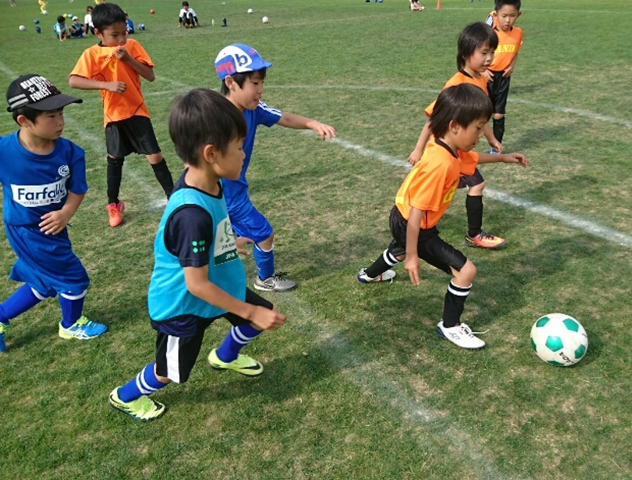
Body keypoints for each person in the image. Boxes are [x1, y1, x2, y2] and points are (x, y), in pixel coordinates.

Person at [108, 89, 286, 421]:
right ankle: (125, 396)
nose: (244, 155)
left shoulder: (209, 182)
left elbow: (211, 227)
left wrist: (230, 241)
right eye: (238, 148)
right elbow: (196, 285)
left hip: (219, 285)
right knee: (169, 372)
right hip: (184, 307)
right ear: (211, 153)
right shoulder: (191, 214)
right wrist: (249, 309)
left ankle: (226, 355)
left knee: (263, 315)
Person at [358, 85, 527, 349]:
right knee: (466, 271)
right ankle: (450, 326)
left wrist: (504, 158)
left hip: (399, 213)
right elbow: (418, 212)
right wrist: (414, 256)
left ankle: (369, 275)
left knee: (399, 247)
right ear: (455, 126)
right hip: (415, 224)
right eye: (477, 128)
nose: (481, 135)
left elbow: (470, 157)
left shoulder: (443, 145)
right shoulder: (441, 164)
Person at [214, 44, 336, 292]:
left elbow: (283, 117)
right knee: (262, 234)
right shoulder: (217, 119)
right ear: (230, 82)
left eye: (261, 83)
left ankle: (223, 274)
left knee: (228, 245)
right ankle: (262, 279)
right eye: (255, 83)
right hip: (224, 195)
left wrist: (312, 123)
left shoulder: (254, 110)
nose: (260, 90)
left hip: (234, 192)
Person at [0, 74, 108, 353]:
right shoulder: (4, 152)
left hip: (55, 227)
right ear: (24, 120)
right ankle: (71, 325)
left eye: (61, 113)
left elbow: (78, 189)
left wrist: (66, 213)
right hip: (26, 230)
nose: (60, 122)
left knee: (44, 282)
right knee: (74, 278)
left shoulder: (71, 153)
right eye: (51, 116)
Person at [68, 3, 175, 228]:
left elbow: (150, 75)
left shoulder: (132, 46)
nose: (120, 38)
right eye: (114, 34)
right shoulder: (92, 54)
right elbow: (74, 80)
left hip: (137, 110)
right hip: (113, 115)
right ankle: (113, 204)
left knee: (154, 156)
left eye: (123, 32)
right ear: (98, 33)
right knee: (115, 160)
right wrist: (105, 85)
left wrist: (128, 58)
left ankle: (173, 196)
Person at [407, 22, 506, 250]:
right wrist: (418, 148)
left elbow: (479, 117)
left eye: (492, 52)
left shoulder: (480, 78)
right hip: (447, 151)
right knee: (475, 185)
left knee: (458, 188)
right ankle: (472, 234)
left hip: (460, 149)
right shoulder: (455, 85)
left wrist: (490, 138)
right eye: (484, 53)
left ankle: (414, 230)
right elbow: (434, 119)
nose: (489, 58)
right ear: (465, 54)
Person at [484, 0, 523, 146]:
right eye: (504, 15)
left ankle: (496, 147)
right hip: (486, 77)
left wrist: (512, 66)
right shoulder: (490, 34)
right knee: (480, 114)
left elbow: (516, 51)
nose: (508, 20)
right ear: (495, 15)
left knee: (498, 114)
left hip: (503, 78)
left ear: (518, 15)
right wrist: (484, 71)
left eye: (512, 16)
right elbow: (478, 53)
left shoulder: (518, 33)